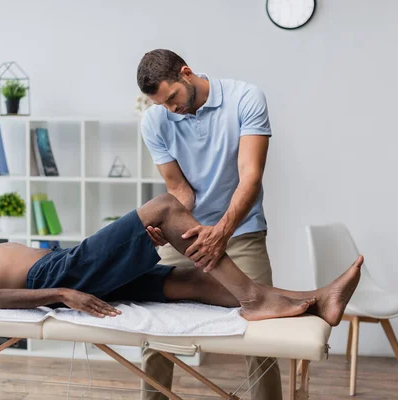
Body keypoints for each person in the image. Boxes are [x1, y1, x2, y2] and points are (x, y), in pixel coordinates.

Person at [0, 193, 362, 330]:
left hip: (67, 267)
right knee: (166, 208)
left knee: (191, 280)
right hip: (58, 276)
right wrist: (62, 293)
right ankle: (254, 300)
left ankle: (316, 301)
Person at [137, 49, 283, 399]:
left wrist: (221, 232)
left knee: (262, 330)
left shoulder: (245, 97)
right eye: (162, 104)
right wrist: (165, 225)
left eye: (172, 97)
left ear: (186, 73)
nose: (171, 109)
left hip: (242, 231)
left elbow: (250, 176)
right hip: (186, 234)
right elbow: (179, 189)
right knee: (156, 330)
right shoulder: (155, 121)